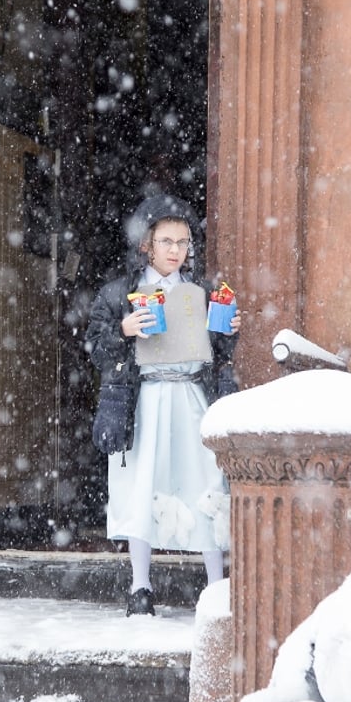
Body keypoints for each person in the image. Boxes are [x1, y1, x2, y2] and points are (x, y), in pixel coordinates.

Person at [85, 193, 241, 616]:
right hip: (145, 400)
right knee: (143, 485)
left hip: (192, 397)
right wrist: (123, 328)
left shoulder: (202, 292)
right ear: (147, 245)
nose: (176, 251)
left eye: (183, 242)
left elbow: (218, 353)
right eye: (167, 242)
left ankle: (216, 586)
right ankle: (140, 586)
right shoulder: (121, 293)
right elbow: (96, 350)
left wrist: (228, 329)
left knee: (205, 484)